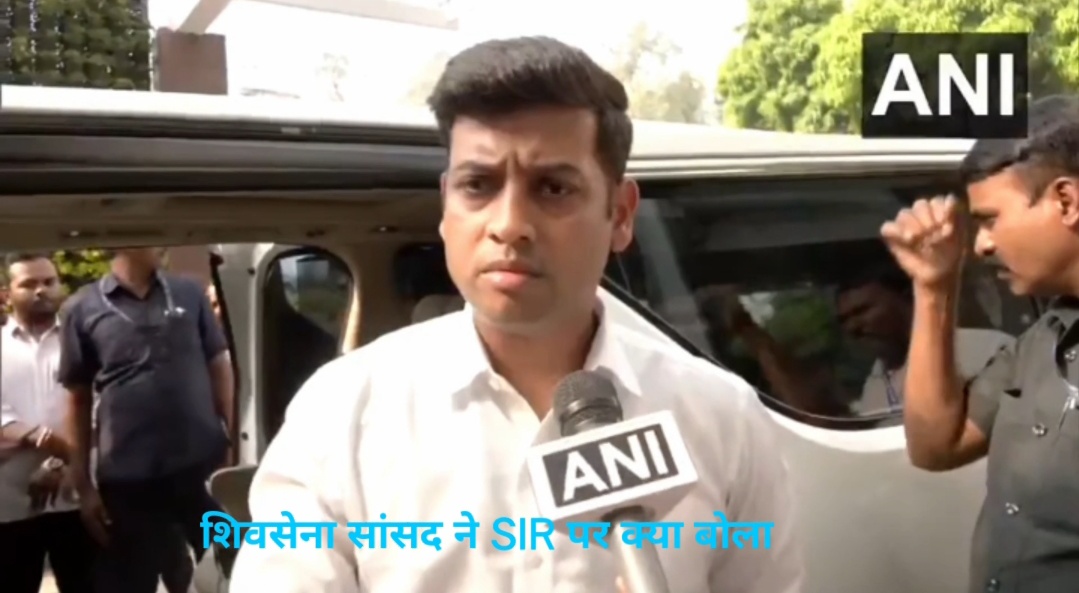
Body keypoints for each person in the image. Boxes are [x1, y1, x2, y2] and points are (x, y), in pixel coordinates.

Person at [230, 36, 802, 592]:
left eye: (552, 188)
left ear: (621, 213)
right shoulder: (340, 413)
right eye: (478, 185)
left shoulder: (723, 420)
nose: (509, 225)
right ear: (446, 204)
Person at [879, 94, 1079, 593]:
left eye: (991, 220)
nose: (982, 245)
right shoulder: (1044, 340)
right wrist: (934, 287)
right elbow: (935, 444)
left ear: (1066, 202)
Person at [57, 247, 234, 593]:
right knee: (132, 580)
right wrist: (84, 486)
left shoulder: (188, 292)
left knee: (228, 568)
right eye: (153, 237)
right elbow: (77, 399)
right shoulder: (81, 307)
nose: (162, 244)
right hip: (129, 476)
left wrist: (229, 438)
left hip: (201, 465)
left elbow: (219, 367)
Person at [707, 263, 1013, 422]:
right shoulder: (876, 382)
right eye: (845, 320)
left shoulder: (985, 351)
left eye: (863, 311)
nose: (854, 327)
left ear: (908, 299)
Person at [0, 253, 96, 593]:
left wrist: (60, 463)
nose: (41, 290)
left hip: (77, 496)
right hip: (10, 503)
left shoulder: (85, 342)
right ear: (6, 294)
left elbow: (99, 409)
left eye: (49, 281)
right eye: (29, 284)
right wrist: (40, 437)